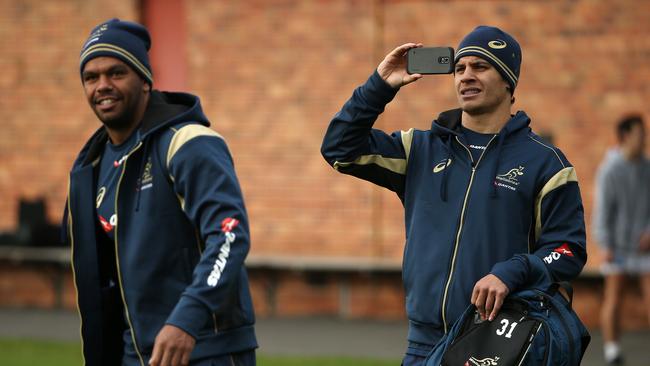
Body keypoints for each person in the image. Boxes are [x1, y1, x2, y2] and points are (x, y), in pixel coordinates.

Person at [321, 26, 587, 365]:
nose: (466, 76)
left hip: (494, 342)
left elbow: (568, 249)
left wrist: (512, 271)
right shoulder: (420, 149)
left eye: (480, 66)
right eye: (460, 68)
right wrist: (380, 85)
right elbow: (339, 149)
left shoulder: (547, 164)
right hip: (422, 344)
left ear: (508, 80)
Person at [64, 19, 257, 366]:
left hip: (204, 349)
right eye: (91, 77)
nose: (102, 86)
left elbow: (229, 235)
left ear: (145, 80)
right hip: (134, 355)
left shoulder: (188, 143)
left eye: (116, 73)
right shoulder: (90, 168)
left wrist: (188, 317)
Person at [593, 115, 650, 365]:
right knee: (613, 298)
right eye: (640, 134)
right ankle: (612, 350)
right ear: (626, 136)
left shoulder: (648, 168)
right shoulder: (610, 170)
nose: (644, 139)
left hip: (644, 248)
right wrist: (605, 244)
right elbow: (602, 210)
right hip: (616, 248)